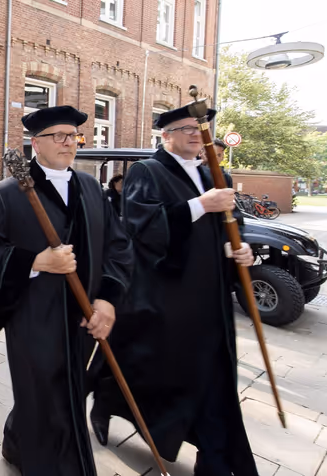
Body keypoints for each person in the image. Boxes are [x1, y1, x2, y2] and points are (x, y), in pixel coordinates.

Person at [90, 104, 258, 476]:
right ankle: (105, 398)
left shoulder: (218, 173)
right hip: (167, 297)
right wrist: (200, 204)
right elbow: (142, 227)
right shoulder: (148, 173)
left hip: (210, 299)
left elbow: (233, 223)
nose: (197, 134)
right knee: (159, 374)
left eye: (200, 128)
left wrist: (239, 247)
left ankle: (213, 460)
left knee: (214, 380)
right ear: (165, 136)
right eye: (185, 129)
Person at [0, 106, 132, 475]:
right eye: (57, 135)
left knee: (66, 389)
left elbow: (118, 246)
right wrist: (35, 261)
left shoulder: (91, 188)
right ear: (35, 144)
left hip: (85, 317)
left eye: (73, 135)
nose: (68, 142)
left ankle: (16, 441)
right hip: (34, 320)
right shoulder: (7, 194)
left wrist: (108, 298)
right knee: (44, 393)